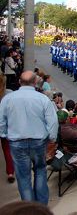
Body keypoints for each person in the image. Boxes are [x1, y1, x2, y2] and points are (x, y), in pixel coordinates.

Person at [0, 71, 58, 204]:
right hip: (38, 141)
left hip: (17, 142)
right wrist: (52, 138)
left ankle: (29, 208)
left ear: (20, 82)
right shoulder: (42, 99)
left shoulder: (8, 99)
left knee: (23, 177)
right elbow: (53, 121)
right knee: (40, 171)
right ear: (35, 83)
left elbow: (1, 121)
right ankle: (41, 206)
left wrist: (4, 135)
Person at [0, 74, 15, 183]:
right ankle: (10, 171)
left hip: (4, 126)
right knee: (8, 150)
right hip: (8, 126)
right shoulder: (9, 94)